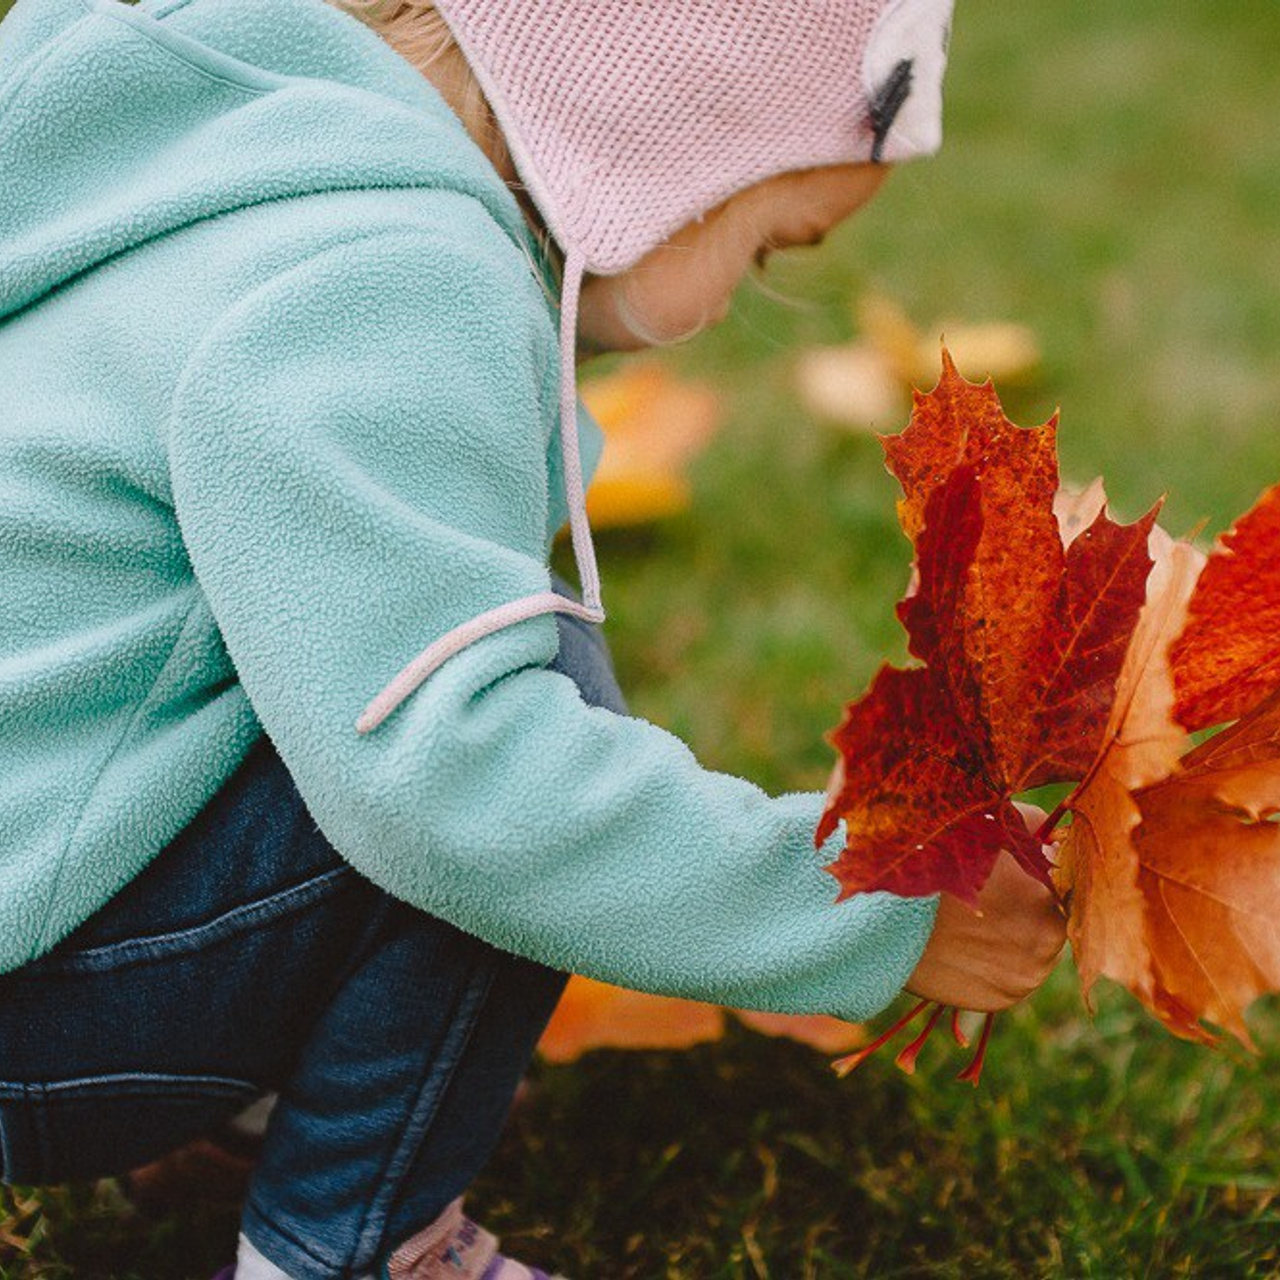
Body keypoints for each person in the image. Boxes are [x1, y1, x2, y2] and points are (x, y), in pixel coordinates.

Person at [0, 0, 1065, 1276]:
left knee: (382, 676)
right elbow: (456, 780)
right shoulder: (390, 275)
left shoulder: (219, 158)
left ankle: (248, 1113)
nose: (743, 301)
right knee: (499, 719)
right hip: (36, 1026)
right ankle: (348, 1242)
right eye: (770, 242)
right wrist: (860, 903)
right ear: (659, 142)